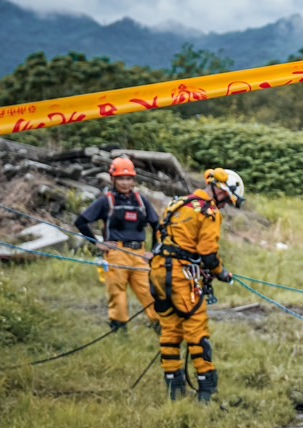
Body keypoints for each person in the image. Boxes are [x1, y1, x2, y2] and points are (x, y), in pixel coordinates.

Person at [149, 168, 244, 404]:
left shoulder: (177, 204)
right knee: (196, 330)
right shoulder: (208, 212)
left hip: (158, 273)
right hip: (182, 277)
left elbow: (160, 237)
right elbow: (208, 254)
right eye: (226, 201)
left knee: (170, 329)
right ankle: (206, 391)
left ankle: (175, 388)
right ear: (221, 192)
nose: (224, 207)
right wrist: (221, 273)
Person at [74, 155, 160, 332]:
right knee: (118, 294)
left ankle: (160, 326)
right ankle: (119, 328)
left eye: (129, 179)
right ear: (113, 179)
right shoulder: (106, 201)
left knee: (148, 292)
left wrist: (154, 251)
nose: (125, 183)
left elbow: (157, 224)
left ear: (134, 180)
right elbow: (81, 221)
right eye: (121, 179)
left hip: (140, 255)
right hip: (116, 254)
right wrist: (97, 243)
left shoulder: (141, 201)